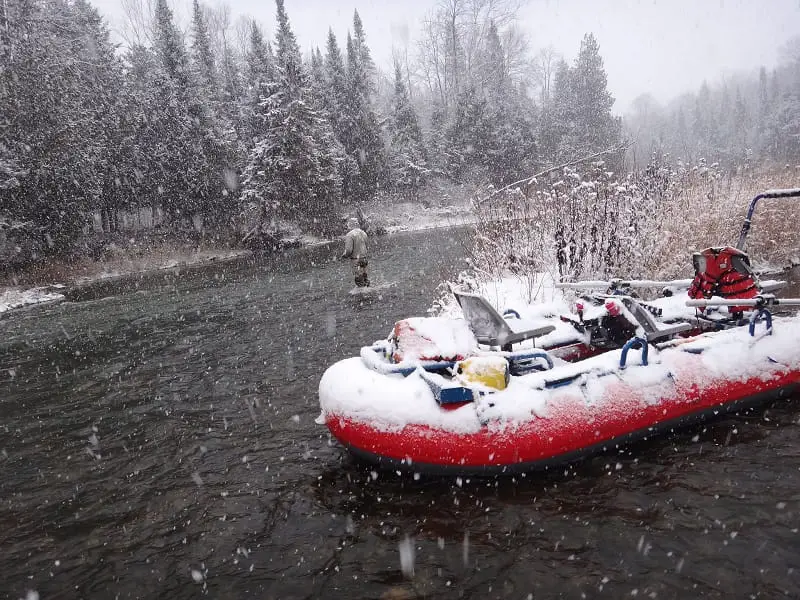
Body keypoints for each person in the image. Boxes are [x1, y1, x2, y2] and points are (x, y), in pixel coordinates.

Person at [341, 218, 369, 287]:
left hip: (355, 260)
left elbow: (348, 250)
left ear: (350, 224)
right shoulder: (364, 233)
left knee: (358, 279)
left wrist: (345, 255)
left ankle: (362, 295)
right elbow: (367, 247)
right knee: (365, 277)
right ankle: (368, 291)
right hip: (364, 258)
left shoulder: (350, 235)